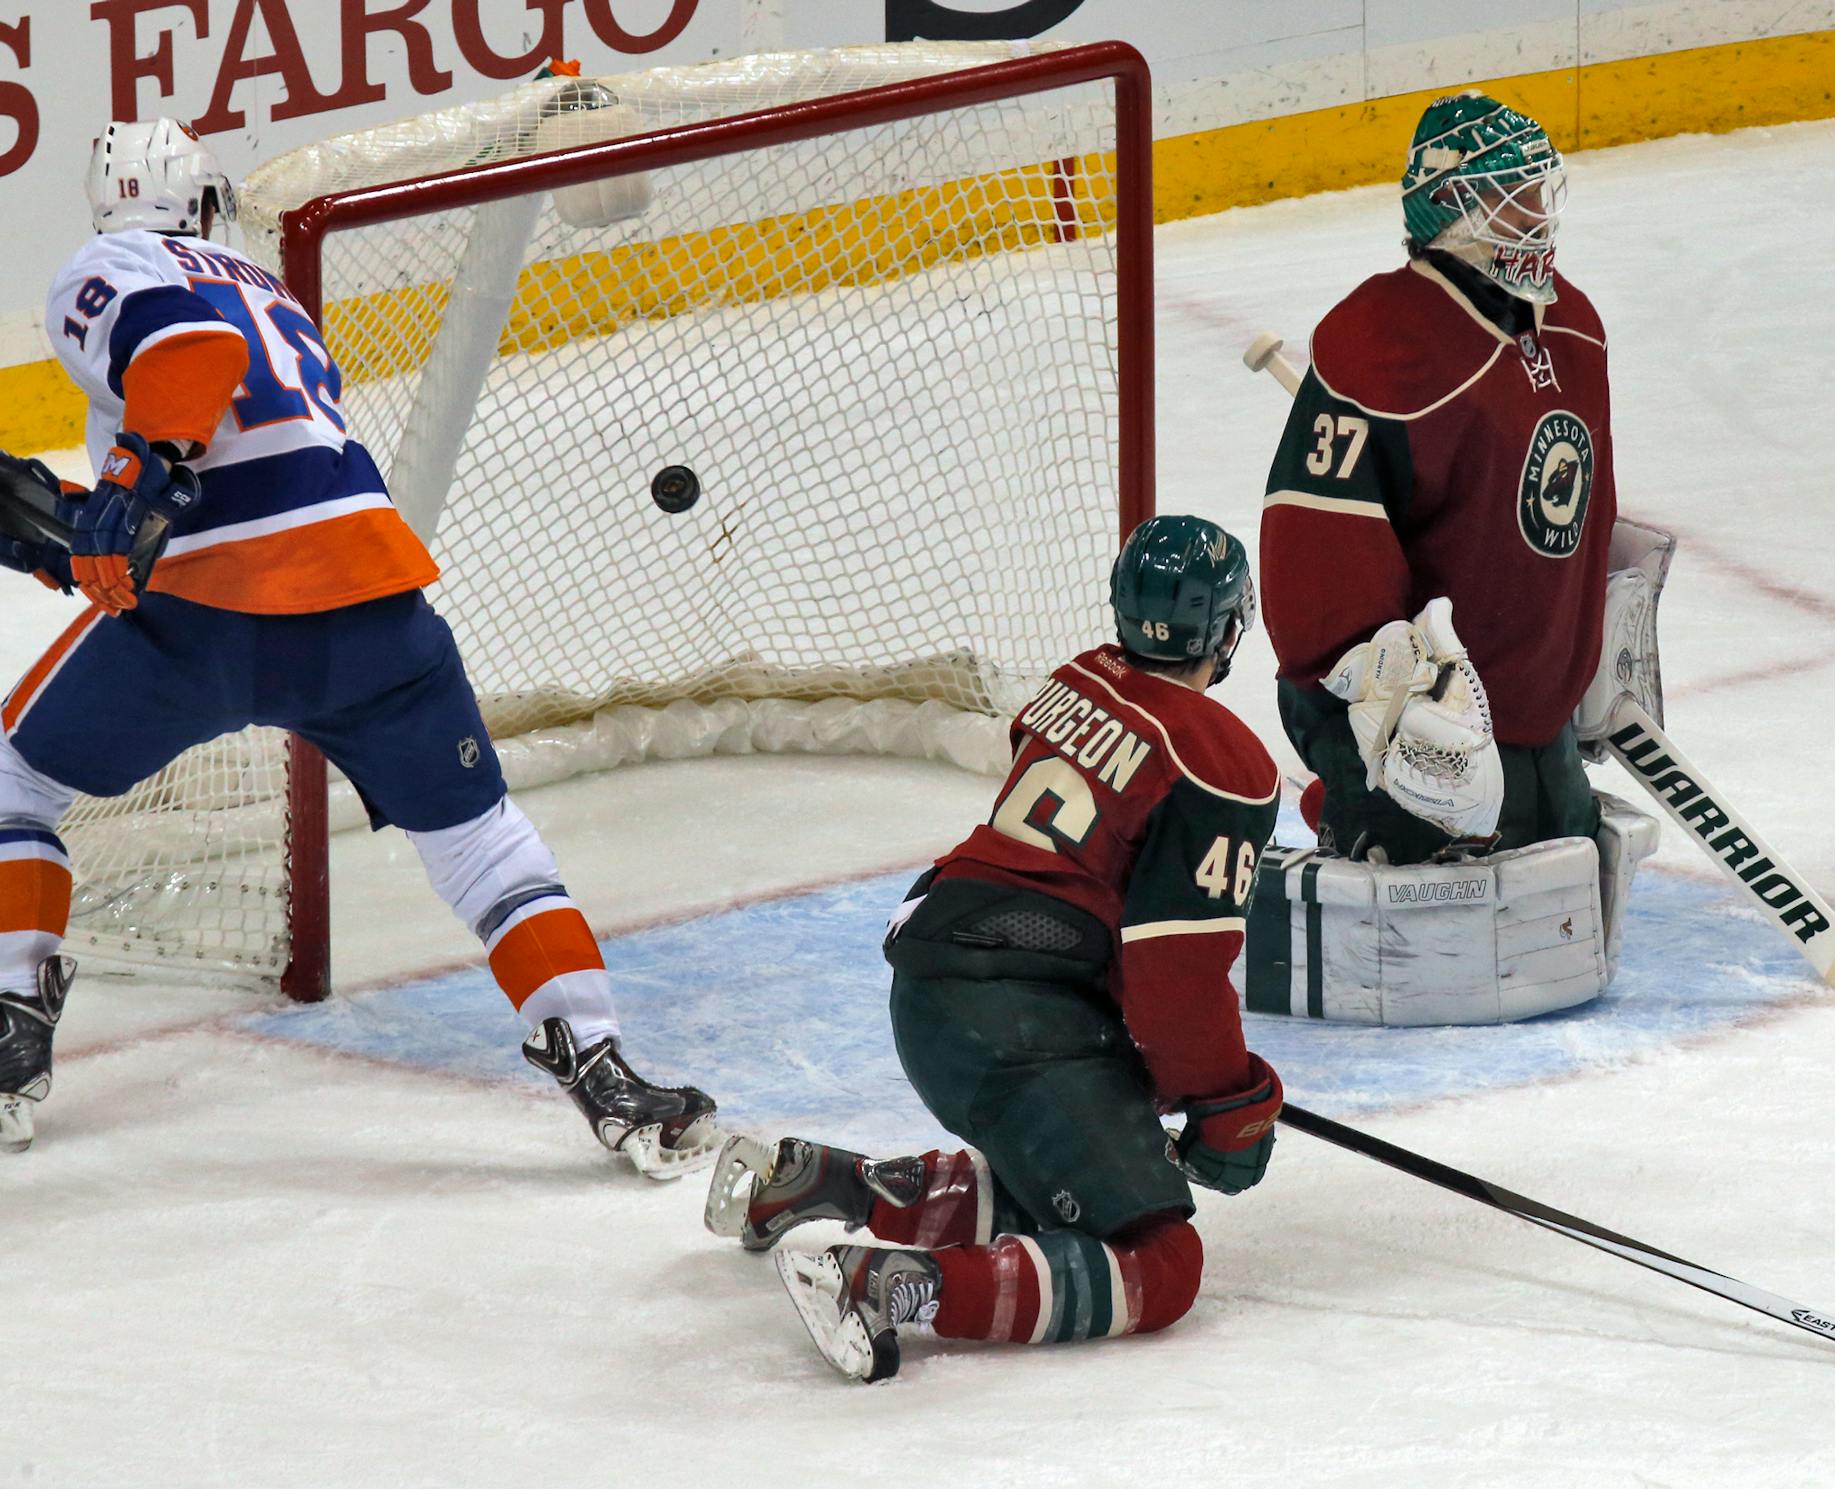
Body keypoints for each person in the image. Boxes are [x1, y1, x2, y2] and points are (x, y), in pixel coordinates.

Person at [0, 119, 715, 1175]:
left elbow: (192, 359)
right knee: (484, 843)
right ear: (208, 202)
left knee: (17, 776)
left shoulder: (112, 263)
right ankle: (607, 1071)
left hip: (210, 620)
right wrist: (87, 517)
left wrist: (128, 484)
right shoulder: (269, 286)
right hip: (376, 608)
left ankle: (15, 1021)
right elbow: (252, 434)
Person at [706, 515, 1282, 1382]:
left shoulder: (1075, 681)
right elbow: (1175, 978)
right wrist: (1228, 1098)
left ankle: (829, 1184)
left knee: (1066, 1185)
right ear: (1229, 629)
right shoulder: (1219, 763)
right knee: (1160, 1260)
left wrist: (1172, 1083)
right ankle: (889, 1285)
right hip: (1017, 1011)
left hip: (936, 974)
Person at [1261, 91, 1618, 865]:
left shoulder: (1576, 327)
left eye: (1537, 192)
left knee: (1570, 871)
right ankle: (1349, 803)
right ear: (1452, 207)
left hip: (1531, 707)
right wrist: (1384, 712)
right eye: (1512, 196)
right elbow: (1315, 559)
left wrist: (1591, 640)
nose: (1537, 215)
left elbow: (1577, 515)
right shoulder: (1379, 342)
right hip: (1422, 724)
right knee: (1428, 917)